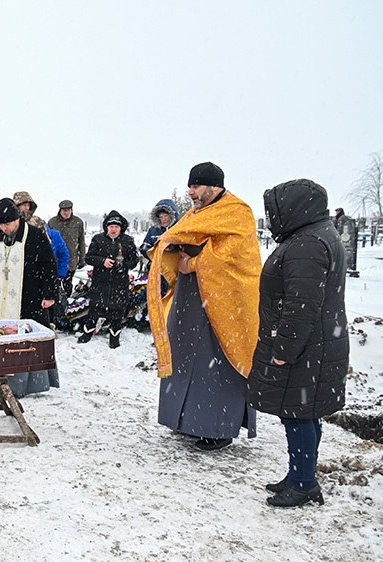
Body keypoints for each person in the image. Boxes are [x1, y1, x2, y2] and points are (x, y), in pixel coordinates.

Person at [247, 179, 349, 507]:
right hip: (318, 343)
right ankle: (299, 474)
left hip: (306, 347)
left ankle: (304, 482)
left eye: (274, 211)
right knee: (304, 412)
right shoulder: (317, 235)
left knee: (298, 414)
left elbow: (300, 306)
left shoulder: (307, 244)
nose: (272, 218)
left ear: (294, 208)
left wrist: (284, 351)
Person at [147, 162, 260, 451]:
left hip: (223, 304)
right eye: (190, 186)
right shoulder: (197, 212)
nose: (191, 192)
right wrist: (171, 249)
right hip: (191, 298)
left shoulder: (238, 212)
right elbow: (181, 235)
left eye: (196, 186)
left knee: (216, 364)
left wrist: (193, 263)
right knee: (186, 359)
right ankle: (185, 420)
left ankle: (218, 428)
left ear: (214, 185)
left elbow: (234, 260)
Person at [0, 198, 60, 397]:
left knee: (25, 340)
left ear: (17, 219)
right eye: (1, 224)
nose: (4, 228)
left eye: (8, 224)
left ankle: (27, 385)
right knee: (1, 335)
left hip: (28, 295)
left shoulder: (35, 235)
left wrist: (50, 294)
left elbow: (48, 265)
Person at [77, 211, 138, 348]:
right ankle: (87, 333)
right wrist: (102, 261)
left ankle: (114, 336)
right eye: (111, 226)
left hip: (119, 282)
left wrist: (124, 266)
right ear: (106, 227)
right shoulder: (98, 239)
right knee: (95, 309)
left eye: (116, 226)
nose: (114, 229)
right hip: (100, 281)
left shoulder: (127, 241)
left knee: (117, 311)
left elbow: (134, 260)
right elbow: (88, 257)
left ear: (121, 228)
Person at [47, 199, 86, 298]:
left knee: (67, 285)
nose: (66, 213)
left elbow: (81, 241)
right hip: (55, 259)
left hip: (71, 260)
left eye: (68, 210)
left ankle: (66, 303)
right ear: (60, 211)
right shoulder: (52, 222)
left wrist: (82, 260)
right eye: (64, 210)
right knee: (54, 285)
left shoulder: (78, 222)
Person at [333, 207, 359, 277]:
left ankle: (348, 266)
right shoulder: (337, 218)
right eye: (336, 211)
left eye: (338, 211)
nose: (336, 212)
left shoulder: (342, 219)